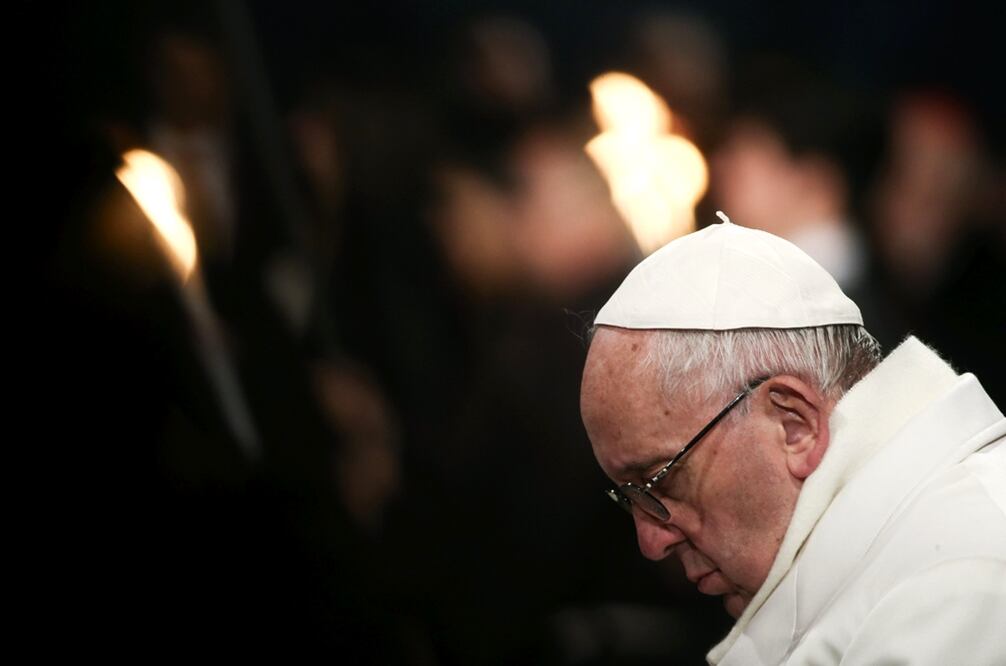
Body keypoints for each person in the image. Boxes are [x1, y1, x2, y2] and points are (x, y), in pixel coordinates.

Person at [579, 216, 1006, 664]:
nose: (651, 542)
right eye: (630, 497)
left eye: (661, 480)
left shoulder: (962, 579)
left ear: (794, 425)